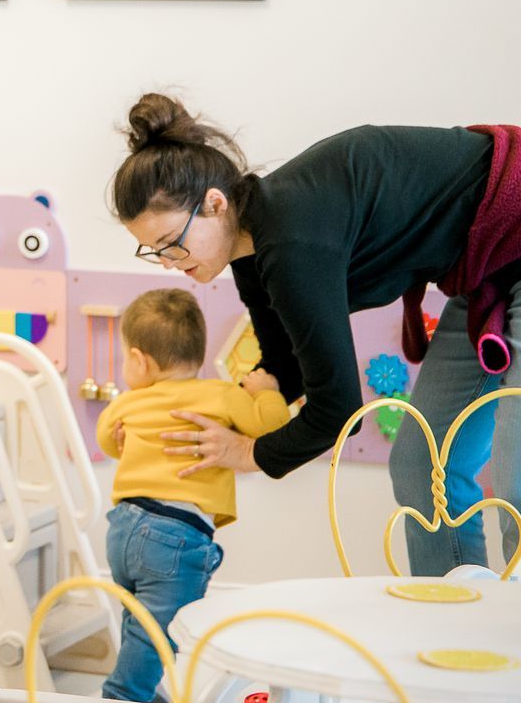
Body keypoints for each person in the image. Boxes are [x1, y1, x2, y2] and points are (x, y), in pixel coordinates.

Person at [110, 93, 521, 575]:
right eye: (151, 252)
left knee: (514, 480)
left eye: (170, 245)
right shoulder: (250, 252)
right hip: (486, 272)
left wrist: (248, 453)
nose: (169, 264)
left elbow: (337, 409)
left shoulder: (289, 243)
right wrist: (218, 412)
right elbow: (284, 367)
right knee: (421, 468)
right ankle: (455, 624)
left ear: (214, 203)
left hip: (508, 232)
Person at [96, 288, 291, 702]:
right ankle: (121, 701)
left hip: (124, 529)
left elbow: (110, 441)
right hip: (174, 537)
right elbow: (271, 426)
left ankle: (148, 701)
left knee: (141, 629)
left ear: (138, 360)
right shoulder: (221, 395)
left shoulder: (128, 402)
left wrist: (120, 439)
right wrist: (267, 390)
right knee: (156, 638)